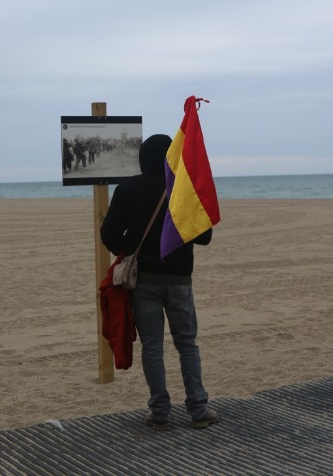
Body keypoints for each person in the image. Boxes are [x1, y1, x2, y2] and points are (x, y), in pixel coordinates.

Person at [100, 134, 218, 431]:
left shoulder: (128, 189)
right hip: (180, 280)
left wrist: (132, 243)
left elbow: (109, 235)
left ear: (142, 159)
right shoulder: (183, 190)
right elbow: (204, 237)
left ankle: (161, 413)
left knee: (152, 346)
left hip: (144, 281)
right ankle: (198, 411)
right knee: (187, 345)